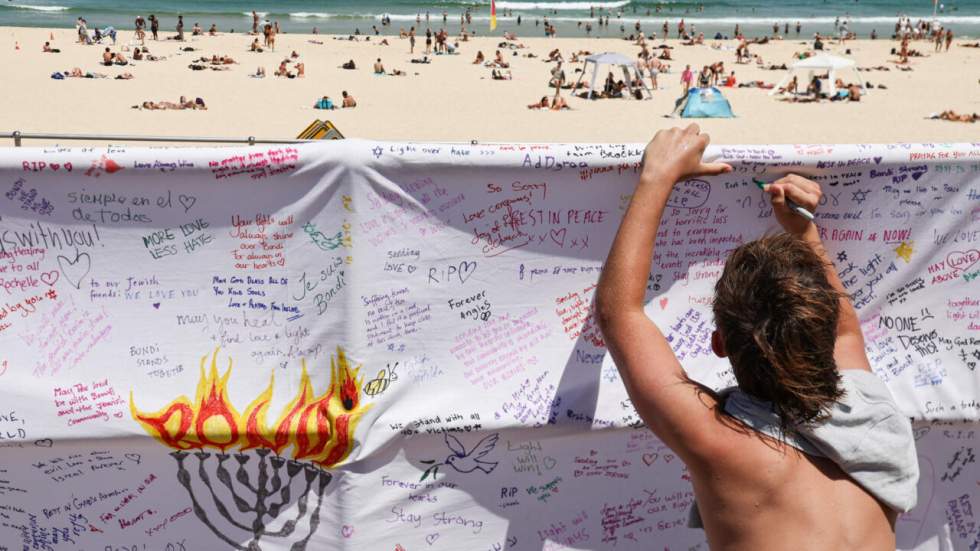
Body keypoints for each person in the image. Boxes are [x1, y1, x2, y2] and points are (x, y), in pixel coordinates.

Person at [595, 125, 918, 551]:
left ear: (719, 345)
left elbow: (619, 314)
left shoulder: (723, 442)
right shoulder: (877, 420)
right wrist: (803, 230)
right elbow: (844, 332)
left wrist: (656, 177)